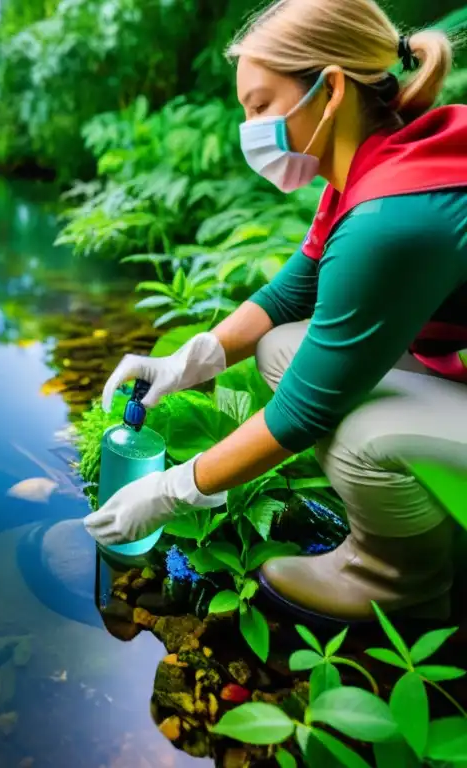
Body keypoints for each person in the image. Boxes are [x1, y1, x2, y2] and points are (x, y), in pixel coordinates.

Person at [83, 0, 467, 624]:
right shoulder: (383, 164)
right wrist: (186, 362)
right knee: (281, 348)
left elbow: (302, 412)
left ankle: (402, 582)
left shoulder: (392, 219)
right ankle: (411, 513)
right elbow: (292, 295)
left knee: (363, 434)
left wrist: (173, 490)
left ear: (331, 88)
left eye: (260, 105)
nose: (250, 127)